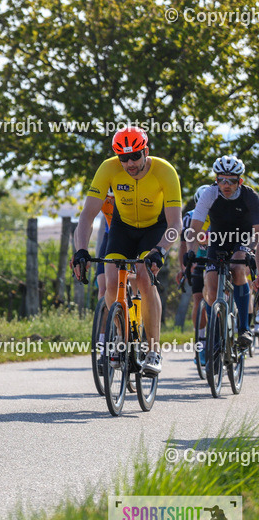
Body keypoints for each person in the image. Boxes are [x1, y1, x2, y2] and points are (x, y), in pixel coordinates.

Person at [72, 127, 181, 375]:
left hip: (154, 230)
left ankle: (153, 351)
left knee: (144, 277)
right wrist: (80, 250)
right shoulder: (108, 168)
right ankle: (122, 341)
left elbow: (175, 225)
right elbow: (87, 216)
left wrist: (161, 250)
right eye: (123, 158)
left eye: (135, 157)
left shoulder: (165, 171)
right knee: (110, 283)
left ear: (146, 151)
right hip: (122, 229)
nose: (129, 164)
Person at [184, 156, 259, 351]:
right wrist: (190, 252)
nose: (225, 185)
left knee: (237, 265)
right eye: (221, 179)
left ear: (239, 181)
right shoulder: (210, 194)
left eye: (231, 180)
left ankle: (244, 328)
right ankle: (214, 333)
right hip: (218, 239)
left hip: (243, 238)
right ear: (216, 179)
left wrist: (255, 262)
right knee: (210, 281)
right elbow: (194, 228)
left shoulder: (250, 197)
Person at [177, 186, 210, 365]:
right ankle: (201, 342)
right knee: (198, 299)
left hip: (215, 256)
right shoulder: (189, 216)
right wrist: (184, 268)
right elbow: (183, 245)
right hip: (198, 258)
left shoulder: (219, 213)